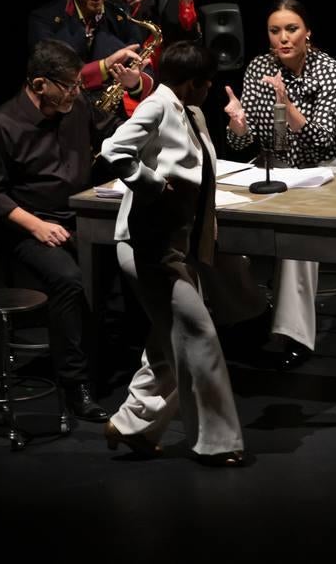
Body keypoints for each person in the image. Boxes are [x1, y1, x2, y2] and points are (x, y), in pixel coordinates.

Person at [99, 41, 245, 466]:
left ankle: (132, 427)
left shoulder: (193, 112)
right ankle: (217, 443)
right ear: (192, 83)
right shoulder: (157, 106)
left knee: (168, 344)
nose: (209, 91)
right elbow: (113, 150)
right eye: (206, 84)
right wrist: (152, 185)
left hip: (179, 245)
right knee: (199, 336)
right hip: (149, 246)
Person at [0, 39, 135, 421]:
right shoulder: (0, 126)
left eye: (79, 85)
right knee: (69, 279)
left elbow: (114, 135)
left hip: (80, 218)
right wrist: (36, 226)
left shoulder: (76, 106)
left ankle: (117, 361)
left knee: (128, 260)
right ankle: (75, 384)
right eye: (69, 86)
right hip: (29, 228)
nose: (77, 93)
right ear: (40, 84)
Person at [223, 0, 336, 370]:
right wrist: (237, 124)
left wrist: (286, 102)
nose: (283, 38)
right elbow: (240, 142)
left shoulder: (329, 70)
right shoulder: (258, 67)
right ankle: (249, 313)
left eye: (291, 29)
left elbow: (323, 141)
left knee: (297, 238)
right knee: (219, 224)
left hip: (325, 173)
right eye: (275, 31)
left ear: (307, 31)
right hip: (274, 172)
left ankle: (292, 336)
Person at [28, 0, 154, 110]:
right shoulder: (43, 20)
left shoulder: (121, 16)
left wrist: (135, 82)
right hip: (61, 116)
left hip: (110, 119)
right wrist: (105, 66)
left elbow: (147, 71)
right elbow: (51, 79)